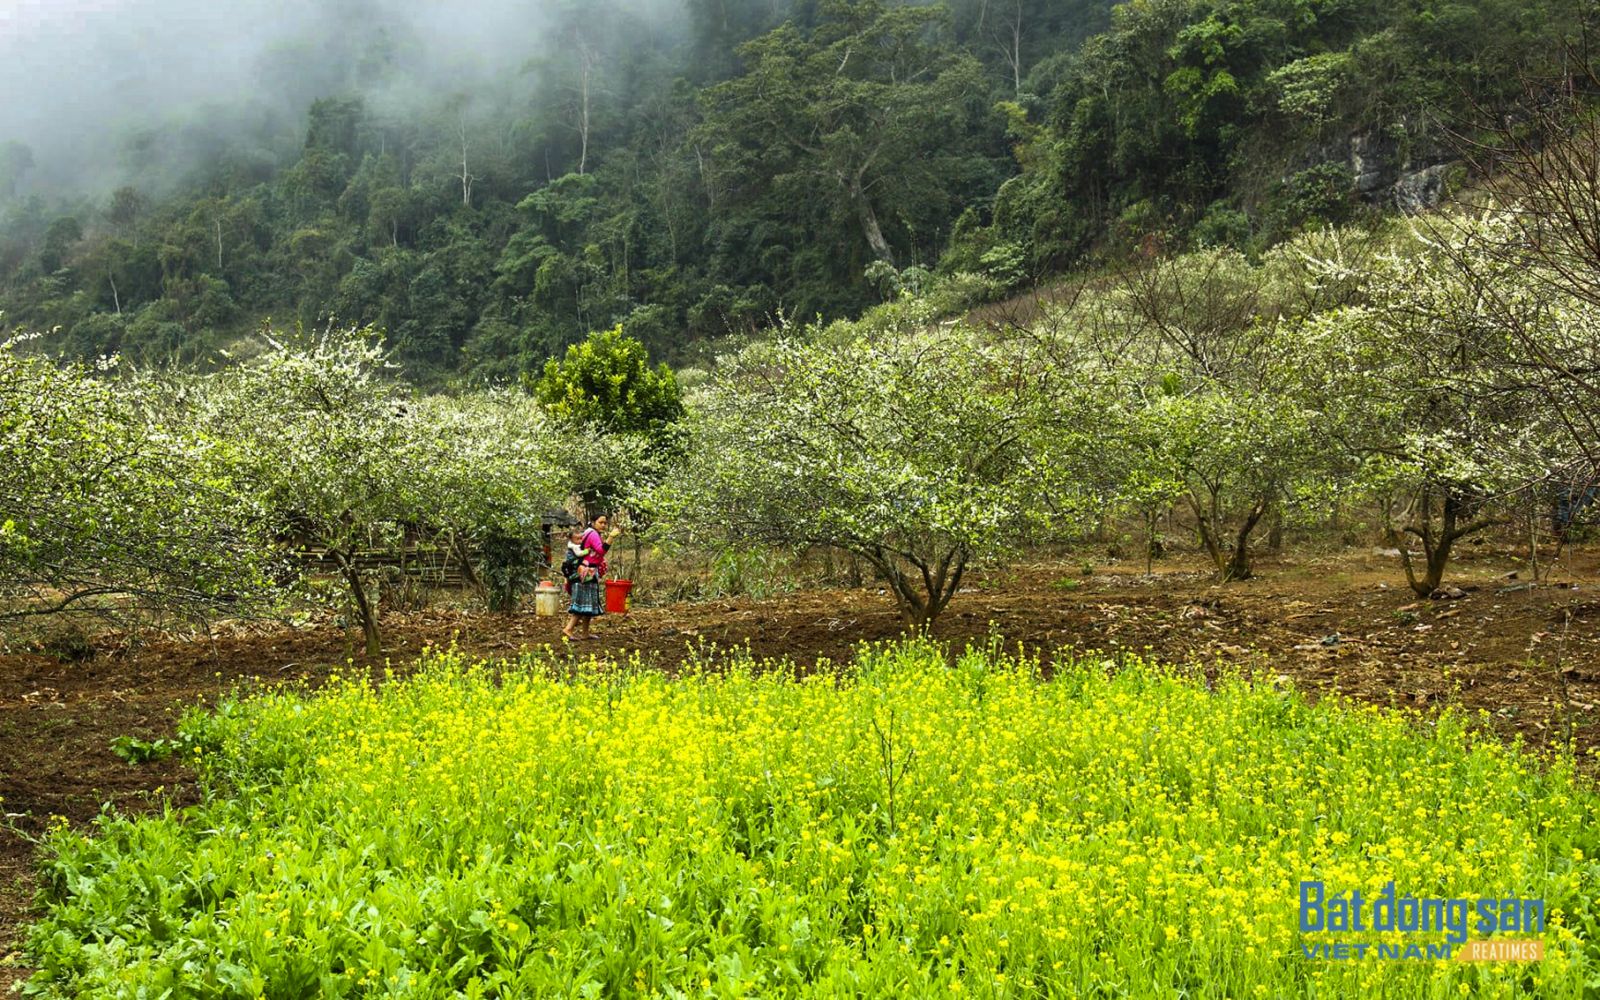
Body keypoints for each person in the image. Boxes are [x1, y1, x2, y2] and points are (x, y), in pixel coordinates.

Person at [563, 514, 621, 641]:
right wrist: (611, 537)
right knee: (583, 603)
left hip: (589, 571)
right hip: (586, 572)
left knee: (589, 603)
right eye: (601, 522)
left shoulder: (591, 533)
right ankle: (568, 629)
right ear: (593, 522)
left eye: (605, 523)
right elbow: (601, 551)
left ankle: (585, 633)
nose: (604, 525)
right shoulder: (593, 534)